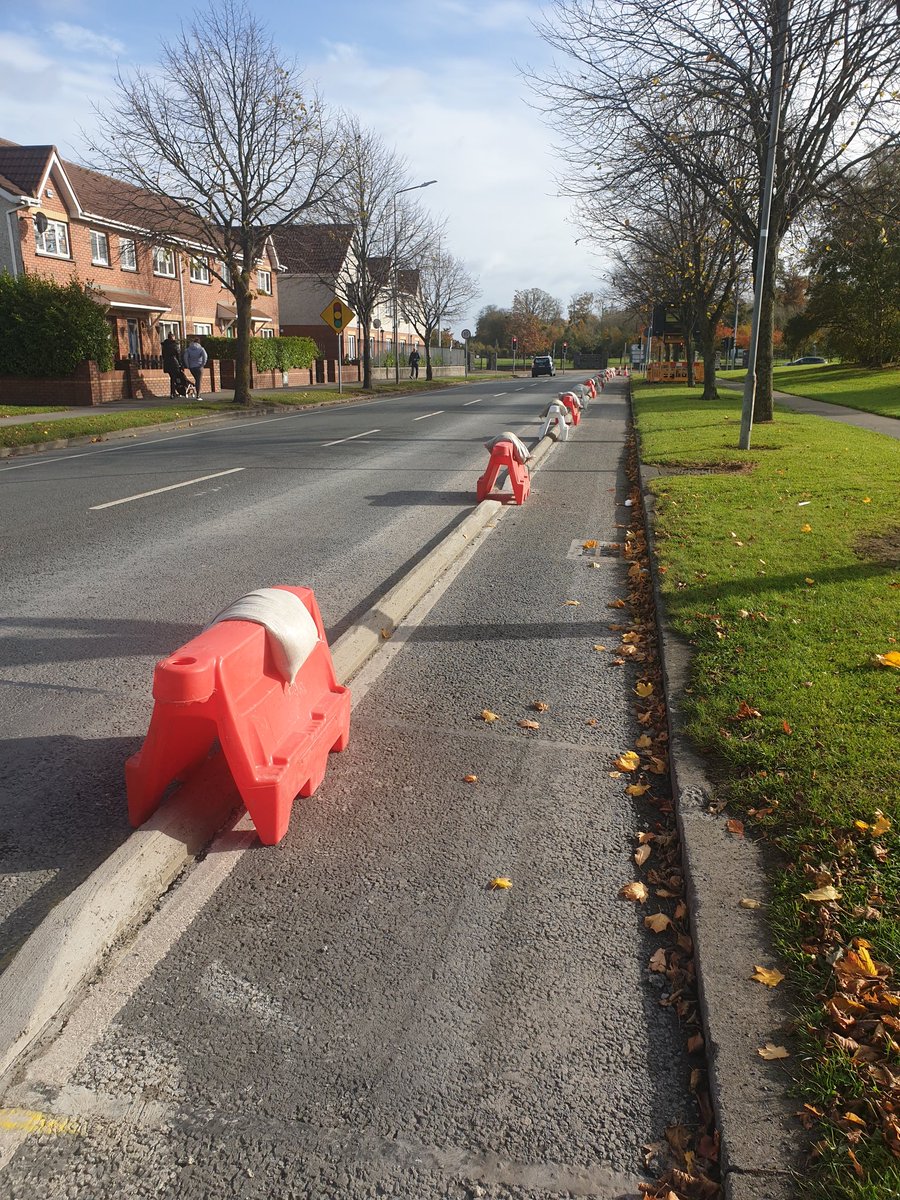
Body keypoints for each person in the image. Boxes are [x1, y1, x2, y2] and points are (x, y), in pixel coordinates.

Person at [182, 335, 208, 399]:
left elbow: (185, 358)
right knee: (198, 381)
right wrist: (202, 364)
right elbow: (205, 357)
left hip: (192, 367)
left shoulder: (188, 349)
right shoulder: (201, 349)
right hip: (199, 367)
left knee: (197, 380)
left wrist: (188, 365)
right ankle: (198, 395)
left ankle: (197, 393)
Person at [161, 332, 182, 398]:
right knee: (174, 378)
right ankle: (173, 392)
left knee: (172, 378)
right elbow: (178, 355)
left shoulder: (165, 345)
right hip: (174, 363)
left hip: (167, 363)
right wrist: (180, 364)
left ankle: (173, 392)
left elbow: (163, 355)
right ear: (172, 338)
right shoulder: (174, 345)